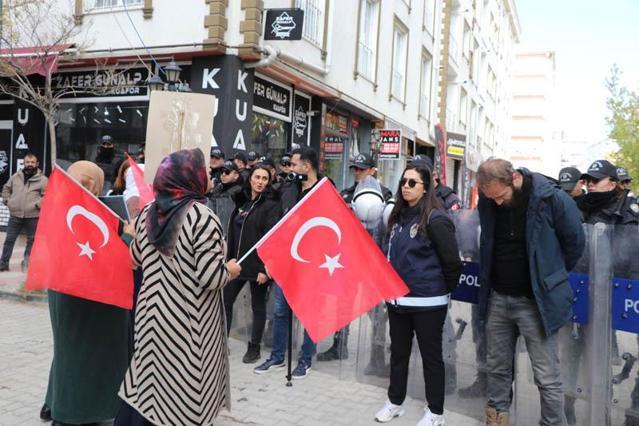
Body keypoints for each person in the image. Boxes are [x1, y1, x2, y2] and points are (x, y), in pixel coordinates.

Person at [116, 148, 241, 425]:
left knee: (150, 382)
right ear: (189, 178)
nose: (209, 174)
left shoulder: (149, 210)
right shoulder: (202, 217)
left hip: (150, 314)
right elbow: (211, 277)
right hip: (187, 321)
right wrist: (230, 269)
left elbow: (134, 258)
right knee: (184, 392)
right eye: (204, 170)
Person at [476, 158, 585, 426]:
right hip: (498, 299)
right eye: (492, 199)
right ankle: (496, 419)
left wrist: (548, 276)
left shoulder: (552, 200)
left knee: (546, 375)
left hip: (536, 302)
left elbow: (575, 244)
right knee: (497, 369)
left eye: (500, 197)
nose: (497, 203)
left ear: (514, 178)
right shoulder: (488, 199)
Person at [43, 161, 130, 425]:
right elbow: (103, 253)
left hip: (64, 290)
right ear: (93, 184)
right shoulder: (80, 209)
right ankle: (74, 413)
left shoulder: (61, 204)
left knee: (66, 350)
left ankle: (53, 402)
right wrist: (127, 237)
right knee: (83, 355)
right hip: (86, 295)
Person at [375, 162, 462, 426]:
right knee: (398, 354)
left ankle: (435, 412)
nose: (406, 187)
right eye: (403, 181)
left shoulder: (436, 218)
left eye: (413, 182)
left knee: (431, 358)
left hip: (428, 304)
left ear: (426, 188)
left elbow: (452, 264)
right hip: (398, 301)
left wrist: (437, 290)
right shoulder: (398, 217)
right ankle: (395, 402)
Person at [254, 146, 325, 379]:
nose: (290, 169)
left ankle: (305, 359)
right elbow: (278, 227)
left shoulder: (325, 191)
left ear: (306, 166)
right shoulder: (289, 189)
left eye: (294, 164)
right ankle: (277, 356)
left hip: (313, 265)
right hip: (287, 263)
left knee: (307, 314)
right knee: (280, 311)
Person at [318, 152, 392, 362]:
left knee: (376, 311)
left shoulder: (385, 196)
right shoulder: (347, 194)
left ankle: (377, 355)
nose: (357, 172)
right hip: (348, 258)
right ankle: (339, 346)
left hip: (373, 260)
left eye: (362, 168)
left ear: (372, 170)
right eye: (355, 169)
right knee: (343, 304)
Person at [224, 164, 281, 364]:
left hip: (258, 267)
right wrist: (228, 259)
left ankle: (254, 348)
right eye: (257, 177)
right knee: (226, 300)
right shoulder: (243, 202)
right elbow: (233, 233)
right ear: (250, 179)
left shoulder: (272, 205)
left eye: (264, 179)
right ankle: (222, 342)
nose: (260, 182)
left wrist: (264, 268)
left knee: (258, 307)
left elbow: (271, 238)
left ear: (268, 182)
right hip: (237, 264)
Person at [0, 153, 47, 272]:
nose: (30, 164)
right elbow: (6, 188)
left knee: (32, 240)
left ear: (37, 164)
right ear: (24, 163)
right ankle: (3, 263)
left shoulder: (43, 180)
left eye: (32, 162)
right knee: (9, 240)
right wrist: (8, 201)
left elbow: (47, 196)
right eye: (27, 162)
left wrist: (37, 205)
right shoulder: (16, 176)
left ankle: (27, 263)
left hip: (33, 216)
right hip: (15, 215)